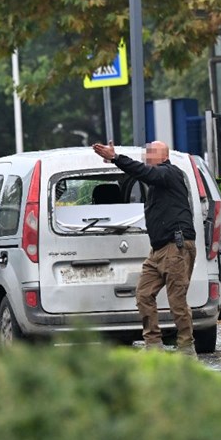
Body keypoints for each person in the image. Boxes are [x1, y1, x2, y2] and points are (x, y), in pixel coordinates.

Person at [91, 140, 197, 354]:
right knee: (143, 294)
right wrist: (116, 162)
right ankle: (153, 344)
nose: (145, 156)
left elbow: (145, 173)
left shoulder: (170, 173)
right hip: (158, 250)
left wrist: (117, 158)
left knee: (177, 299)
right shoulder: (157, 181)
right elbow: (140, 173)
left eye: (150, 152)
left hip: (175, 246)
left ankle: (186, 347)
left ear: (162, 156)